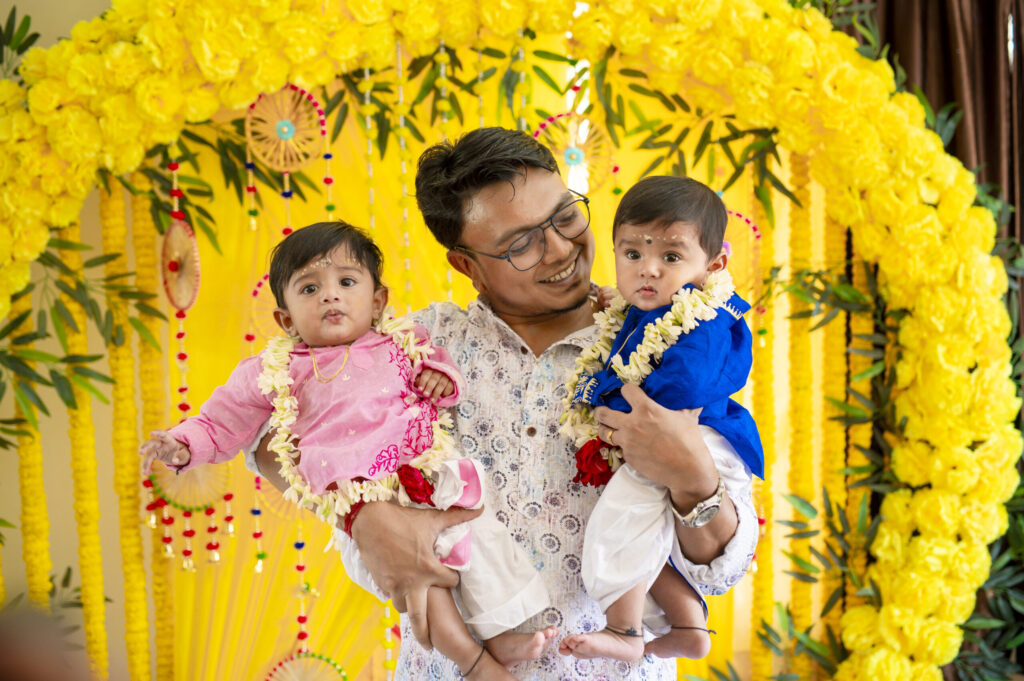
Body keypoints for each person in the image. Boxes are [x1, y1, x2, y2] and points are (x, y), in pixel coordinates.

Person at [250, 128, 759, 680]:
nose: (562, 248)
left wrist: (693, 479)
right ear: (466, 265)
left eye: (566, 217)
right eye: (522, 244)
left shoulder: (660, 339)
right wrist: (365, 519)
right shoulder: (415, 350)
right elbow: (272, 438)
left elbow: (719, 573)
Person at [139, 222, 555, 680]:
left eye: (346, 282)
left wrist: (441, 377)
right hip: (362, 504)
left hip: (427, 479)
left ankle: (500, 633)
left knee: (483, 541)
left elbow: (441, 372)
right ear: (286, 319)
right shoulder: (278, 368)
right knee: (425, 580)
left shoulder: (404, 341)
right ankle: (471, 661)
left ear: (377, 301)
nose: (330, 296)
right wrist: (182, 444)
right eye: (310, 288)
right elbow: (226, 420)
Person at [558, 176, 764, 662]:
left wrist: (610, 398)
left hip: (695, 440)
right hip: (671, 436)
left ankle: (625, 631)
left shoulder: (707, 320)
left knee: (621, 517)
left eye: (670, 257)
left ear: (714, 265)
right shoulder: (652, 307)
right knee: (647, 531)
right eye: (632, 255)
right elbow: (635, 337)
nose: (648, 269)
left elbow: (680, 391)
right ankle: (690, 623)